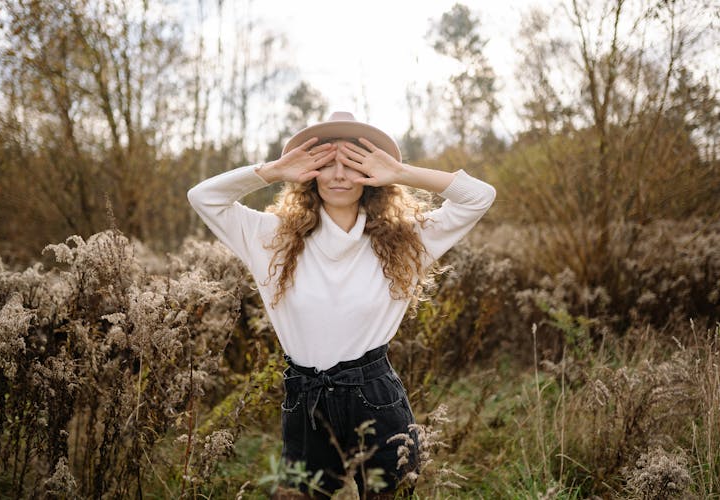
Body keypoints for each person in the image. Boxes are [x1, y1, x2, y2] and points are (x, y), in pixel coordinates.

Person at [187, 111, 496, 498]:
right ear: (309, 172)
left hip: (376, 397)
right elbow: (202, 197)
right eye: (326, 163)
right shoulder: (271, 237)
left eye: (352, 164)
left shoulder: (404, 239)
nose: (338, 176)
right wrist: (276, 170)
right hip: (305, 398)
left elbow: (480, 196)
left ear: (371, 174)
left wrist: (400, 171)